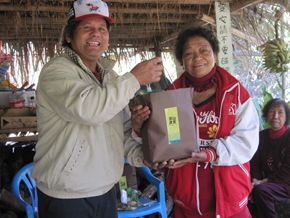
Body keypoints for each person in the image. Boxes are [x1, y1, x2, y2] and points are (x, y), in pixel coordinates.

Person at [30, 0, 163, 217]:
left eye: (102, 29)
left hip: (105, 190)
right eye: (87, 28)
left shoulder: (110, 77)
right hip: (67, 196)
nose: (96, 34)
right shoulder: (56, 71)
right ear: (69, 36)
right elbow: (90, 110)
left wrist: (144, 154)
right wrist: (135, 78)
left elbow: (122, 130)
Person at [131, 26, 260, 217]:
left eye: (203, 50)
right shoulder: (169, 97)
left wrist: (210, 153)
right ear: (182, 61)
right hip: (187, 202)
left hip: (231, 202)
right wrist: (138, 128)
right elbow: (158, 140)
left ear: (214, 54)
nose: (197, 57)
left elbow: (247, 141)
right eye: (189, 53)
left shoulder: (235, 93)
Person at [249, 98, 290, 218]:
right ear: (266, 115)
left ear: (286, 117)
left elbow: (288, 171)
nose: (275, 116)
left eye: (280, 112)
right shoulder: (260, 136)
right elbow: (254, 164)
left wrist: (263, 182)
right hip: (266, 183)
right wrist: (255, 181)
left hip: (285, 183)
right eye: (272, 112)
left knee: (261, 191)